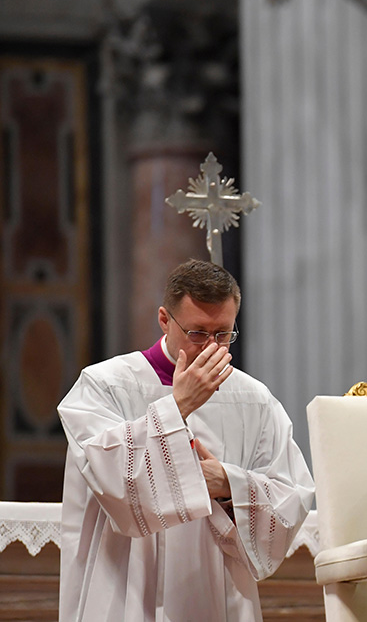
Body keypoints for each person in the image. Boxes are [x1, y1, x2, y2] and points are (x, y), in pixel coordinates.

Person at [58, 260, 315, 621]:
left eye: (223, 334)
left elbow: (292, 495)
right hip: (127, 588)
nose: (210, 347)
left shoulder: (253, 399)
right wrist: (179, 406)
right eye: (197, 333)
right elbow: (111, 480)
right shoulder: (103, 386)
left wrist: (227, 483)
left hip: (217, 589)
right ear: (164, 319)